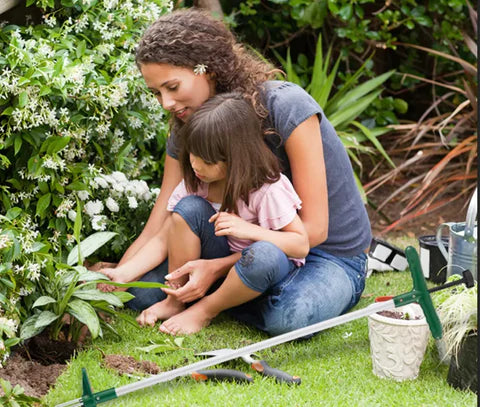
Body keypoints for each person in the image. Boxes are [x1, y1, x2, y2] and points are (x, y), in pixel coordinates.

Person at [97, 7, 371, 336]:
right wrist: (122, 275)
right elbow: (163, 220)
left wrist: (216, 269)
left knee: (288, 315)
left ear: (208, 69)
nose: (165, 104)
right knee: (141, 293)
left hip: (323, 255)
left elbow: (313, 232)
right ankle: (234, 291)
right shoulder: (185, 126)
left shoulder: (286, 108)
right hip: (238, 245)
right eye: (156, 93)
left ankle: (216, 299)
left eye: (172, 87)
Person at [133, 93, 309, 333]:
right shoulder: (197, 181)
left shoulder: (267, 190)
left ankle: (205, 310)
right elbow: (167, 236)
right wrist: (122, 274)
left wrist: (249, 230)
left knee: (263, 256)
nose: (196, 165)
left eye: (206, 159)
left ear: (236, 157)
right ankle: (176, 301)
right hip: (213, 265)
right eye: (192, 154)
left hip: (257, 272)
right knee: (138, 296)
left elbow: (300, 245)